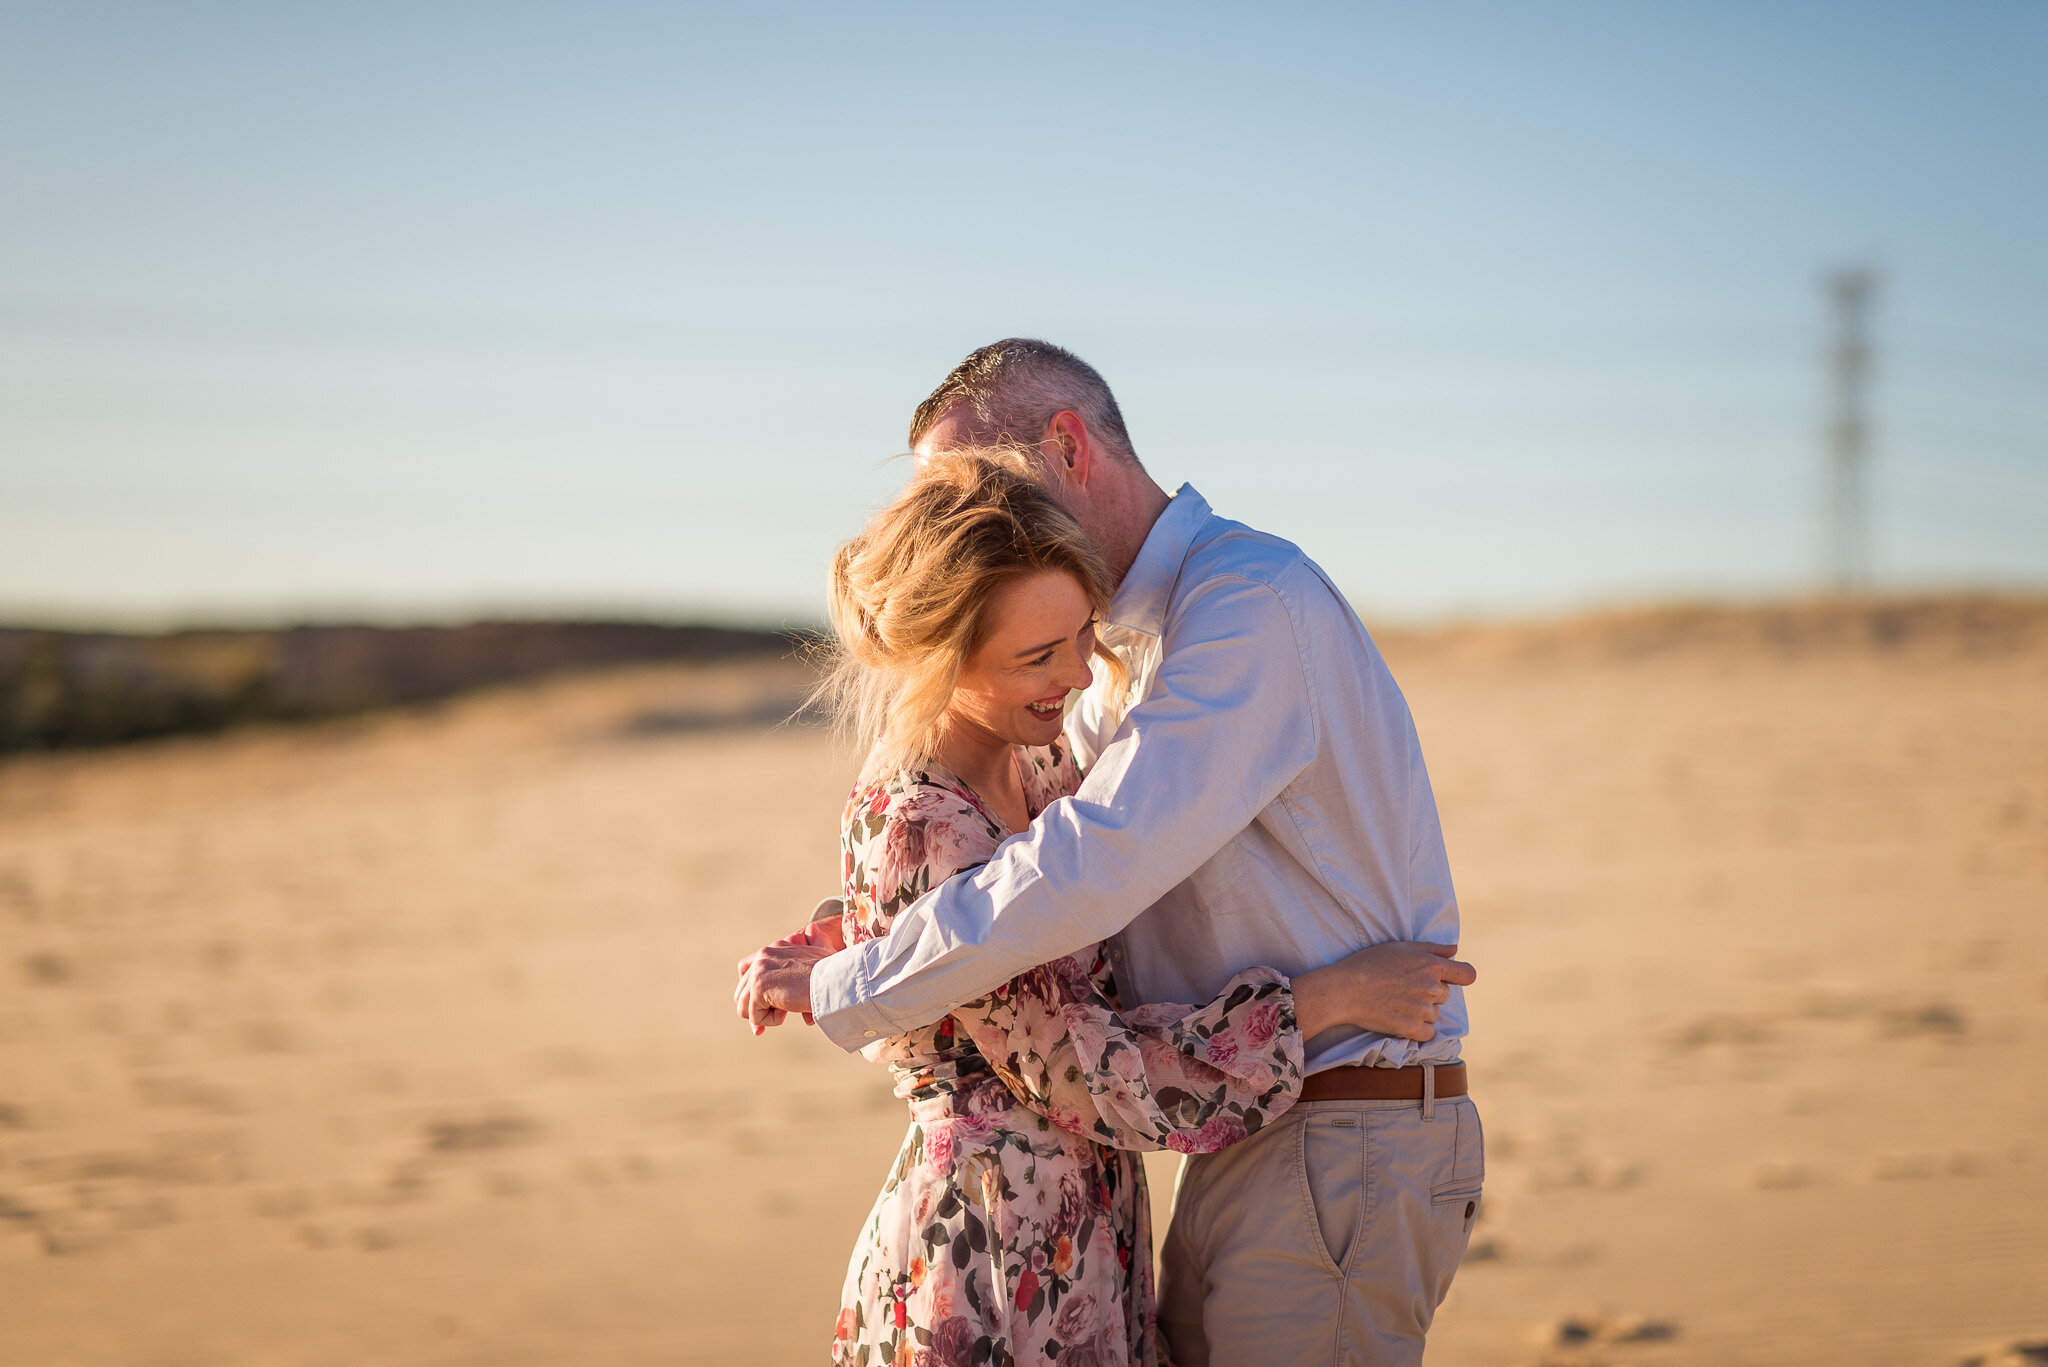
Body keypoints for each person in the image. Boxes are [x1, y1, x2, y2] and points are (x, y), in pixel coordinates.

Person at [737, 340, 1480, 1366]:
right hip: (1200, 1147)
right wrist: (868, 923)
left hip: (1336, 1125)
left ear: (1068, 447)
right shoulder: (1092, 670)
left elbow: (1089, 865)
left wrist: (858, 977)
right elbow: (1027, 898)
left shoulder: (1243, 607)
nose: (960, 522)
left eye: (974, 484)